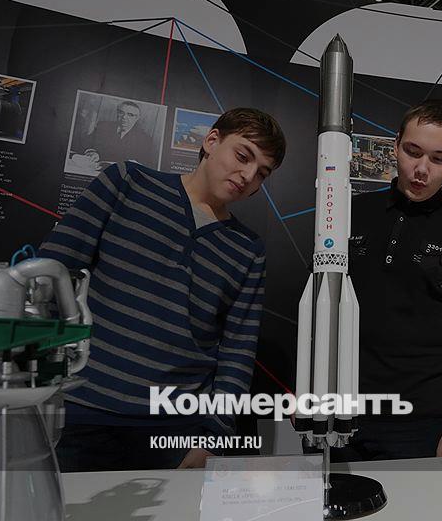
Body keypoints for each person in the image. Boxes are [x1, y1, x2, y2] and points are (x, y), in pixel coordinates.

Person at [40, 108, 285, 471]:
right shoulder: (126, 183)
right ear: (212, 141)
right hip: (82, 411)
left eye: (262, 173)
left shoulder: (247, 249)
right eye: (242, 156)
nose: (248, 176)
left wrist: (214, 437)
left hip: (177, 429)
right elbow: (50, 279)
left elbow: (237, 351)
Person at [339, 99, 442, 461]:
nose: (421, 169)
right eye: (413, 152)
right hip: (342, 412)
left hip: (426, 421)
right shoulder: (350, 213)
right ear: (395, 145)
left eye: (438, 159)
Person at [73, 100, 156, 169]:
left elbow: (145, 164)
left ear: (137, 118)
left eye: (130, 115)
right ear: (117, 113)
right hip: (95, 169)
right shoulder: (103, 126)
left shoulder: (144, 139)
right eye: (121, 113)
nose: (124, 117)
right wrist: (92, 152)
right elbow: (86, 143)